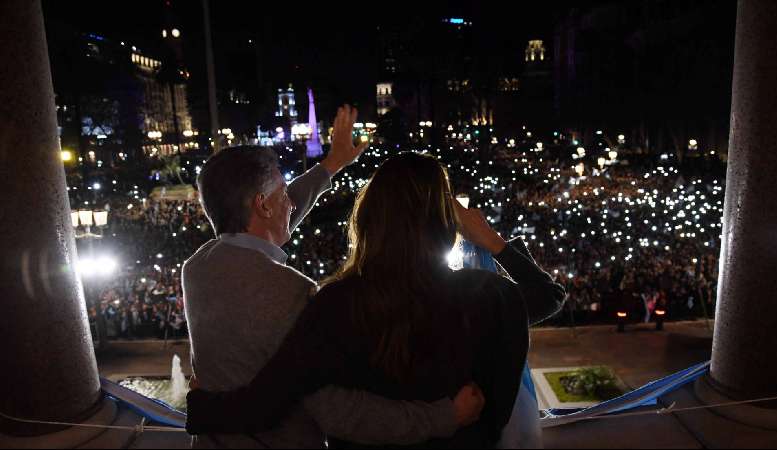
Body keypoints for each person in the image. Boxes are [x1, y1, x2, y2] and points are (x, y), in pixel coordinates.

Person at [186, 152, 566, 448]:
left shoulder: (335, 303)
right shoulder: (489, 297)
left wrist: (203, 408)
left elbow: (273, 396)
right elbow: (546, 297)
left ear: (369, 217)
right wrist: (492, 241)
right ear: (445, 221)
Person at [182, 106, 484, 449]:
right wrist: (446, 417)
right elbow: (339, 412)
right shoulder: (291, 292)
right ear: (263, 206)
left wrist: (331, 165)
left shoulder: (197, 269)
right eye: (283, 193)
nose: (291, 204)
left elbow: (261, 224)